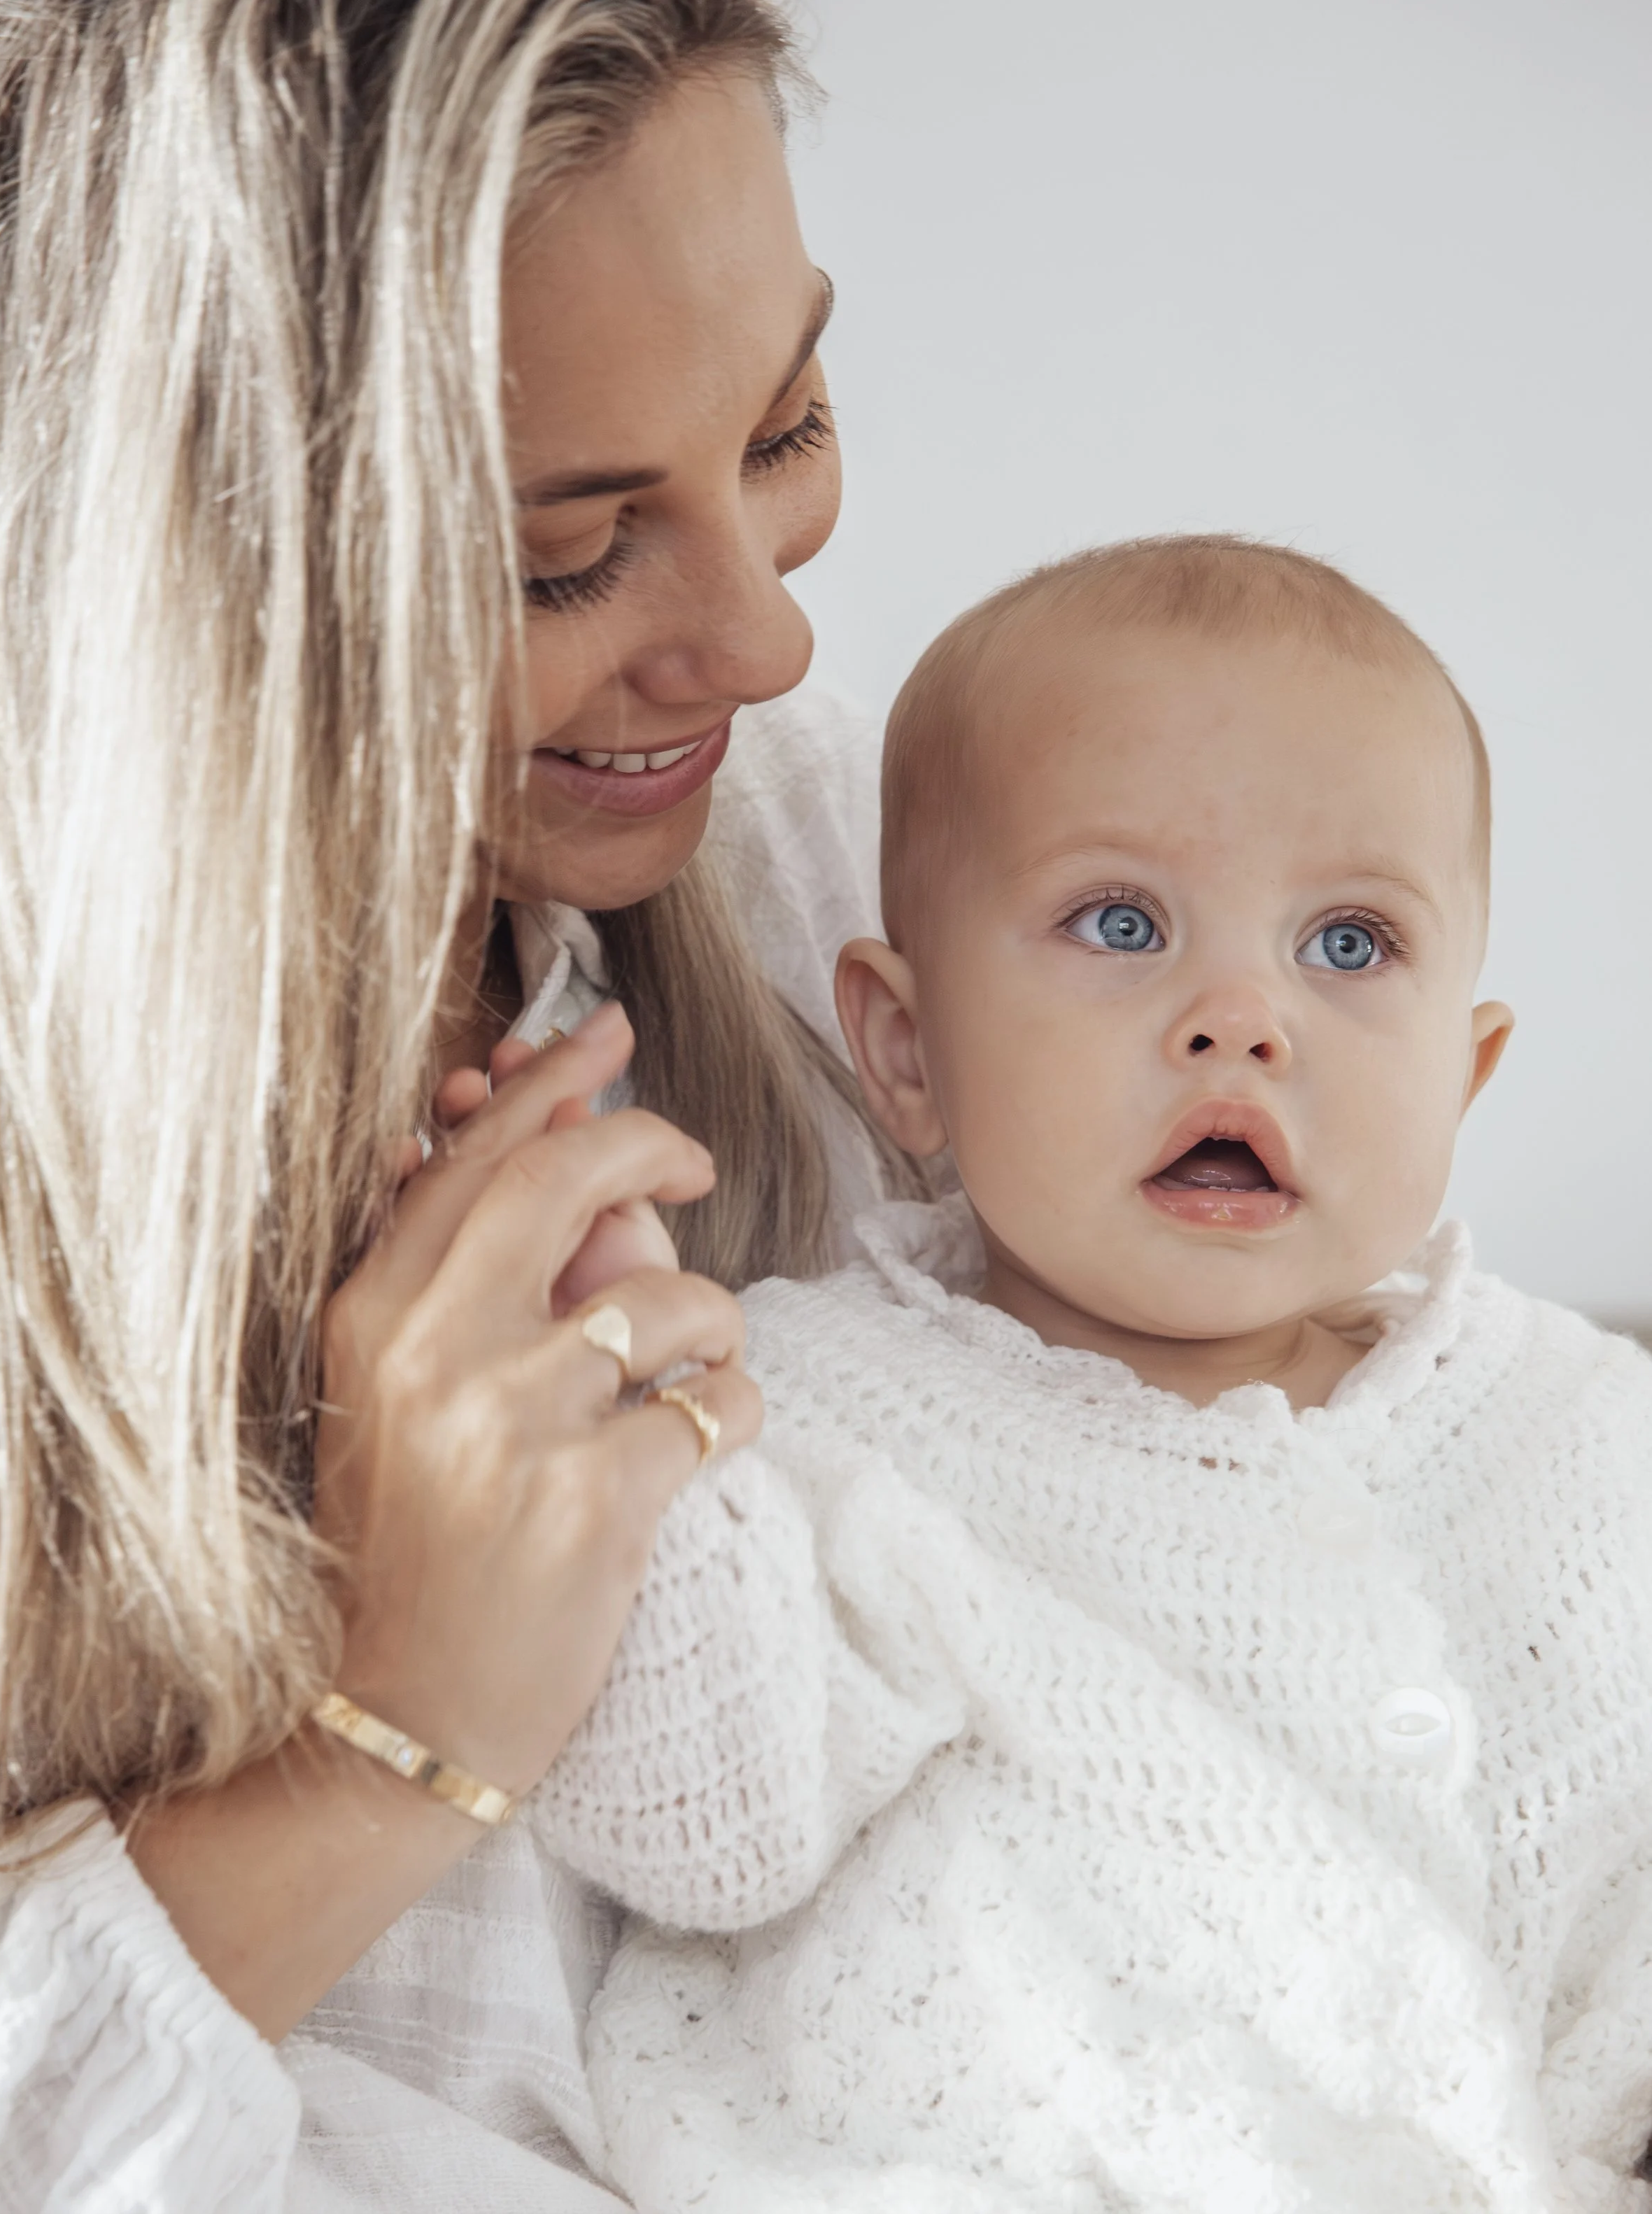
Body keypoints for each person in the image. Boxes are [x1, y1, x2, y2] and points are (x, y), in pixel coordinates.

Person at [0, 0, 903, 2203]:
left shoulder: (847, 886)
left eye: (789, 424)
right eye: (565, 555)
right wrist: (385, 1733)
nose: (763, 643)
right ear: (165, 578)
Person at [525, 537, 1652, 2211]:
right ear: (905, 1050)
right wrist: (632, 1383)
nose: (1239, 1018)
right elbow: (698, 1819)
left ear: (1464, 1071)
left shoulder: (1582, 1428)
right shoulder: (810, 1414)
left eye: (1346, 945)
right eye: (1119, 922)